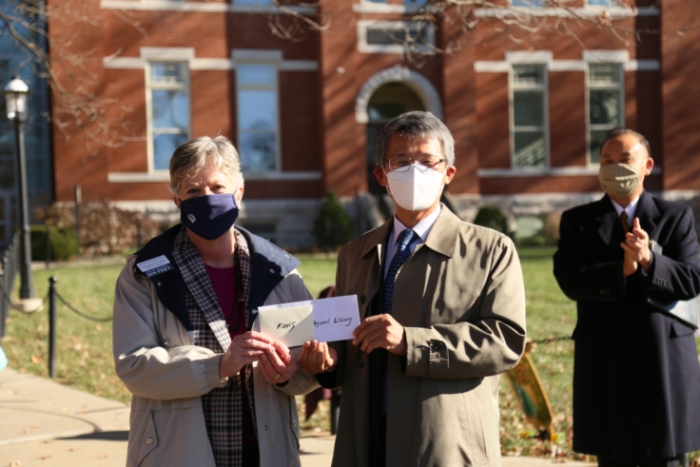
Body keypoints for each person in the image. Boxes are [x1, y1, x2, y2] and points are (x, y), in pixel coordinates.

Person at [300, 111, 527, 466]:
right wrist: (326, 364)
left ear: (448, 173)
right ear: (382, 176)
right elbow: (344, 343)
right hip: (366, 440)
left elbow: (505, 342)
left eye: (427, 161)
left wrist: (410, 342)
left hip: (443, 443)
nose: (414, 171)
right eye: (401, 162)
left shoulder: (491, 250)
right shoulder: (354, 254)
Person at [113, 136, 317, 467]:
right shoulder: (145, 273)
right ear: (177, 201)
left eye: (218, 187)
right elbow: (133, 366)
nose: (207, 199)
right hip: (177, 452)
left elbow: (307, 368)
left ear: (239, 192)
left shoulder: (280, 270)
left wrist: (289, 373)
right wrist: (218, 366)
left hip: (267, 452)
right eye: (193, 191)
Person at [553, 128, 700, 467]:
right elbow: (570, 280)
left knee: (666, 455)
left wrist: (650, 261)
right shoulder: (578, 222)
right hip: (606, 355)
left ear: (646, 166)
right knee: (613, 452)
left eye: (624, 160)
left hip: (663, 358)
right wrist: (622, 270)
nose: (615, 167)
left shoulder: (676, 217)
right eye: (607, 160)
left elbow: (692, 279)